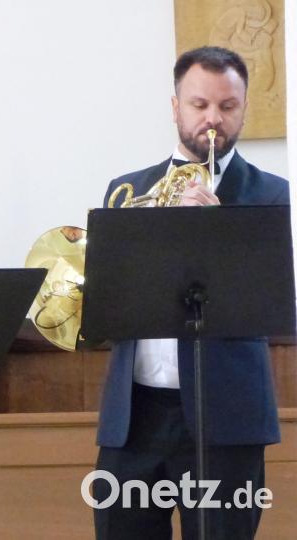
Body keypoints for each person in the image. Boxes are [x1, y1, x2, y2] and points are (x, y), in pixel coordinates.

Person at [93, 46, 289, 539]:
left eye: (228, 107)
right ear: (175, 106)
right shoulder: (126, 190)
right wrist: (163, 227)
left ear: (244, 109)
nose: (213, 120)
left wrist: (211, 228)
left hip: (226, 419)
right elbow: (110, 299)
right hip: (134, 419)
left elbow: (268, 300)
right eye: (200, 105)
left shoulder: (271, 194)